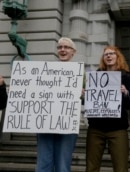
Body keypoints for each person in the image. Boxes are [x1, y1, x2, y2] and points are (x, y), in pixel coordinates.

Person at [85, 46, 130, 172]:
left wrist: (125, 93)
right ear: (103, 58)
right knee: (91, 167)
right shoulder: (94, 77)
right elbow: (88, 102)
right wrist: (85, 94)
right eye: (106, 54)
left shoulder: (127, 78)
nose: (108, 56)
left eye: (112, 53)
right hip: (96, 128)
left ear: (118, 57)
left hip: (118, 129)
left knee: (121, 167)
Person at [36, 37, 78, 172]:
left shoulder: (81, 74)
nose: (63, 50)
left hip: (67, 123)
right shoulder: (44, 71)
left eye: (66, 47)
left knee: (63, 165)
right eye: (60, 47)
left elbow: (89, 99)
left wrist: (83, 93)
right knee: (43, 163)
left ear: (73, 52)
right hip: (45, 123)